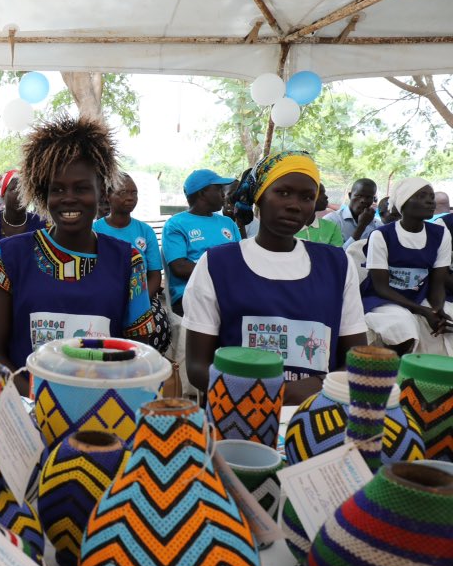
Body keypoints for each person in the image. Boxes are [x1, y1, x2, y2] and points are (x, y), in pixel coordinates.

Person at [0, 114, 154, 390]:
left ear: (101, 192)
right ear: (44, 194)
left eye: (82, 188)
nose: (69, 198)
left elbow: (139, 356)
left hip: (106, 406)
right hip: (28, 406)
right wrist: (42, 401)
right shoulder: (12, 257)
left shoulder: (128, 262)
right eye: (58, 189)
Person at [184, 151, 367, 405]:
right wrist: (270, 396)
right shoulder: (217, 264)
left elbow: (357, 361)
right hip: (239, 414)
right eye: (283, 192)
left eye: (307, 197)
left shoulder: (337, 265)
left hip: (318, 414)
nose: (294, 205)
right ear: (259, 197)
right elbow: (197, 367)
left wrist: (318, 387)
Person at [361, 177, 453, 356]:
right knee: (402, 326)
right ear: (403, 202)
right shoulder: (381, 236)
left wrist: (437, 310)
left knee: (448, 319)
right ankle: (393, 370)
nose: (430, 201)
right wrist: (422, 311)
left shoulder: (441, 234)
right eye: (421, 196)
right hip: (382, 298)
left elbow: (437, 283)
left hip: (419, 296)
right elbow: (381, 288)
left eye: (431, 196)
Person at [93, 172, 170, 351]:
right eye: (122, 192)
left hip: (142, 297)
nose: (130, 197)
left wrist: (139, 301)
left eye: (133, 193)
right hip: (103, 297)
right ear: (108, 196)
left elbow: (154, 275)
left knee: (155, 324)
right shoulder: (94, 230)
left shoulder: (145, 231)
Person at [162, 169, 240, 315]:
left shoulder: (228, 223)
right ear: (203, 193)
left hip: (228, 291)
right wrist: (223, 272)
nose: (223, 194)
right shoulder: (176, 224)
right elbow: (180, 267)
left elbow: (240, 258)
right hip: (192, 294)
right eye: (218, 189)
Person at [0, 169, 45, 287]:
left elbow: (46, 272)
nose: (20, 194)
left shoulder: (41, 224)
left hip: (34, 292)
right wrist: (13, 288)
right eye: (14, 190)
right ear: (3, 194)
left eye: (24, 190)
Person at [323, 178, 380, 248]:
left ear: (373, 199)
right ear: (350, 195)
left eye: (368, 197)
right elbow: (334, 253)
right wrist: (361, 227)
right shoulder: (331, 221)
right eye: (359, 196)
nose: (363, 200)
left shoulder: (377, 225)